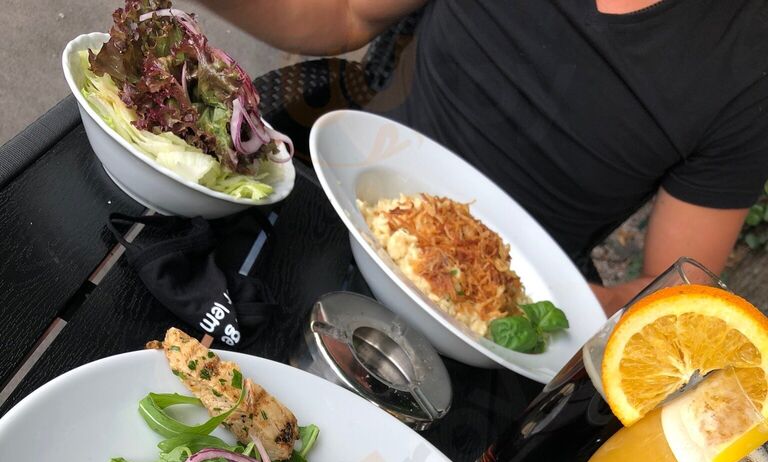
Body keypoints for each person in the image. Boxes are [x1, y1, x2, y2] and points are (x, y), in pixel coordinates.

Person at [201, 0, 768, 314]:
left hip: (484, 326)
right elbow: (347, 12)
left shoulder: (750, 68)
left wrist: (548, 306)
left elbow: (673, 287)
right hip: (339, 200)